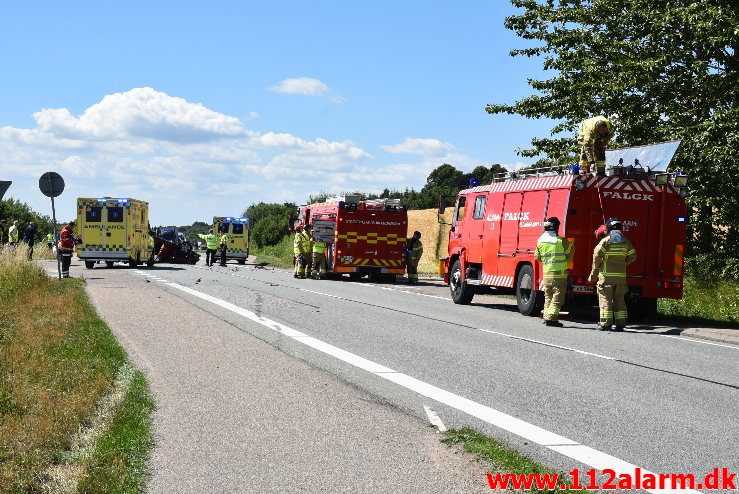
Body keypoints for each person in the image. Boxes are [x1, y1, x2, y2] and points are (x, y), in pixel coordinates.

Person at [588, 218, 637, 331]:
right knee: (620, 300)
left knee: (605, 300)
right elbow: (633, 256)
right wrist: (623, 263)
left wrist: (592, 277)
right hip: (620, 279)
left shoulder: (605, 242)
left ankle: (605, 323)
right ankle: (620, 324)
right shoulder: (626, 241)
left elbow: (596, 260)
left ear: (608, 228)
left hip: (606, 278)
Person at [534, 217, 574, 327]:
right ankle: (551, 319)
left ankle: (546, 316)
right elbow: (571, 252)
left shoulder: (540, 241)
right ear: (556, 227)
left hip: (547, 274)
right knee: (557, 297)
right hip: (559, 275)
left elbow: (537, 257)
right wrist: (566, 261)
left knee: (548, 296)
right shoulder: (561, 241)